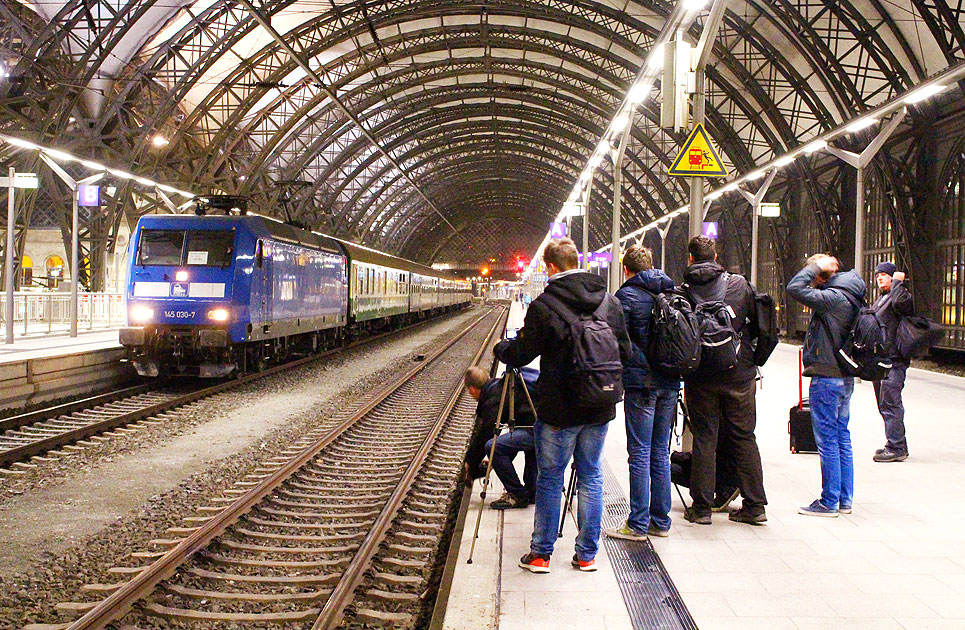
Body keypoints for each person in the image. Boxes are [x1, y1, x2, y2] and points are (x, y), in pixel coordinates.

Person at [494, 237, 631, 573]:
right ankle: (587, 555)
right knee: (592, 476)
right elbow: (625, 352)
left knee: (551, 478)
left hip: (559, 409)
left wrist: (502, 349)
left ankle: (541, 554)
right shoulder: (608, 302)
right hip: (600, 405)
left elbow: (522, 353)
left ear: (551, 267)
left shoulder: (544, 305)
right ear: (576, 262)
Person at [679, 236, 768, 525]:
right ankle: (755, 505)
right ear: (716, 256)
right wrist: (754, 360)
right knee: (744, 436)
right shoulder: (739, 284)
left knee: (705, 437)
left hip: (701, 375)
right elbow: (765, 329)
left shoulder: (683, 291)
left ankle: (702, 508)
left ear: (691, 259)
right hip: (739, 373)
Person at [604, 244, 678, 541]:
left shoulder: (626, 296)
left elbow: (617, 341)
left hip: (641, 384)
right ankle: (661, 521)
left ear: (626, 268)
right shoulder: (671, 293)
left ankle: (637, 524)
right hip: (670, 383)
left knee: (640, 453)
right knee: (661, 452)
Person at [786, 254, 866, 517]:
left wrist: (815, 267)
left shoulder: (833, 298)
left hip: (827, 378)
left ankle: (829, 501)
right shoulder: (851, 294)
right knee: (842, 437)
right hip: (843, 378)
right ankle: (845, 499)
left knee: (829, 440)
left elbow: (794, 288)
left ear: (821, 274)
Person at [463, 365, 539, 509]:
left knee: (493, 446)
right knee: (512, 444)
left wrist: (471, 463)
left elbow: (486, 434)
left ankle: (517, 494)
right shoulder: (499, 385)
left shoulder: (493, 397)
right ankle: (531, 492)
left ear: (472, 389)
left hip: (536, 431)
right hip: (540, 425)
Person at [869, 261, 914, 463]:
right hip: (881, 360)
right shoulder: (881, 299)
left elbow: (901, 305)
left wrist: (897, 282)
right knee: (884, 403)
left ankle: (897, 447)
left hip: (894, 360)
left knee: (890, 402)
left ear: (894, 276)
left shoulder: (900, 295)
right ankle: (894, 442)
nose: (880, 278)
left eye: (884, 275)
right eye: (878, 275)